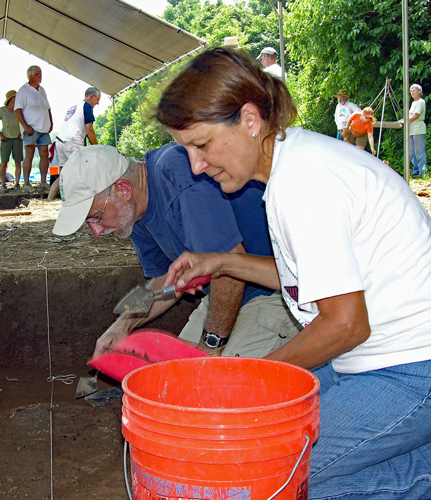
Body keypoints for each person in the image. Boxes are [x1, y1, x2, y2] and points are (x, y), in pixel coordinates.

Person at [155, 47, 431, 500]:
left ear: (249, 119)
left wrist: (253, 379)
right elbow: (311, 281)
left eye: (201, 145)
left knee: (267, 475)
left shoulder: (303, 183)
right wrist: (219, 262)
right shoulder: (295, 161)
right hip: (372, 360)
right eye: (185, 149)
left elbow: (345, 323)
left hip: (411, 369)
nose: (195, 166)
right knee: (258, 452)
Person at [52, 144, 301, 360]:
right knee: (172, 376)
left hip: (276, 292)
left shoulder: (179, 178)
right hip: (225, 294)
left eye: (95, 217)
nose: (96, 231)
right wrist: (122, 326)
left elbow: (229, 272)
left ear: (123, 189)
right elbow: (163, 281)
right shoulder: (134, 212)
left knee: (209, 390)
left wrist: (210, 345)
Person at [47, 87, 101, 200]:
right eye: (97, 99)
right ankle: (82, 199)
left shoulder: (74, 107)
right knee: (81, 171)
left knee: (63, 175)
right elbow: (89, 129)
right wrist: (97, 147)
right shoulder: (87, 106)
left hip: (60, 141)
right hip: (72, 142)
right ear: (91, 96)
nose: (98, 103)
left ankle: (51, 199)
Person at [14, 65, 53, 193]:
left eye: (41, 74)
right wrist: (25, 126)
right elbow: (18, 110)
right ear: (30, 76)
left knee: (44, 155)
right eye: (37, 74)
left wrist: (51, 122)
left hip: (43, 128)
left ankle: (43, 182)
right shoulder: (23, 90)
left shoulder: (42, 90)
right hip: (30, 127)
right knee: (29, 155)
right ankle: (26, 183)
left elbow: (48, 108)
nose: (40, 76)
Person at [0, 90, 23, 191]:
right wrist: (1, 135)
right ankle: (3, 185)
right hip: (6, 139)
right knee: (4, 162)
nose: (16, 99)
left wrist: (21, 134)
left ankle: (17, 184)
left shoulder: (19, 110)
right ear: (10, 99)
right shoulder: (2, 110)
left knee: (18, 162)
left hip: (17, 139)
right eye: (15, 97)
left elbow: (24, 122)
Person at [408, 83, 427, 178]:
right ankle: (415, 171)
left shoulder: (421, 102)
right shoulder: (413, 103)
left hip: (418, 129)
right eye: (411, 91)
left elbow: (416, 115)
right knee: (412, 152)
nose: (412, 92)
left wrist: (405, 121)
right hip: (411, 130)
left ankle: (422, 171)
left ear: (419, 91)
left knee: (419, 151)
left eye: (414, 90)